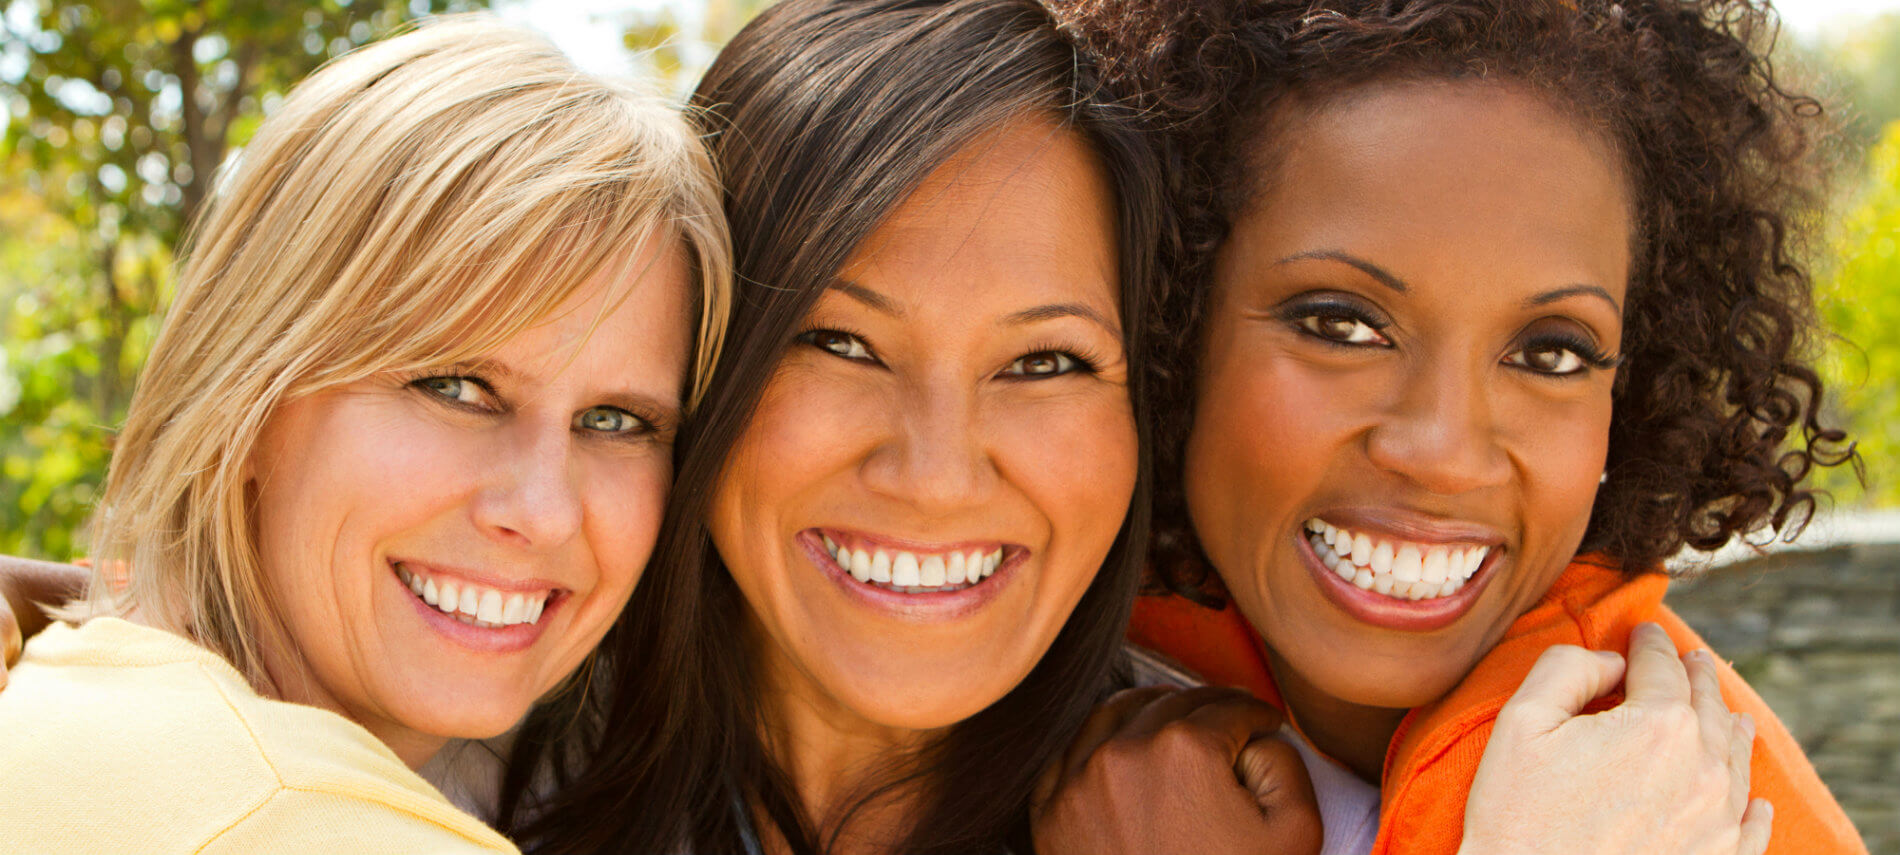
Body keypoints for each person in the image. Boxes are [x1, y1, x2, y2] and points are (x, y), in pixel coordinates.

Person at [0, 2, 1774, 853]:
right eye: (842, 342)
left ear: (1143, 404)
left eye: (1047, 363)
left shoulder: (1299, 815)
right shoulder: (434, 764)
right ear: (703, 366)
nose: (938, 465)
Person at [1045, 0, 1868, 853]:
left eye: (1551, 353)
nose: (1441, 452)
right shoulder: (1020, 631)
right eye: (1342, 325)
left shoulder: (1697, 801)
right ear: (1174, 317)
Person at [0, 16, 729, 853]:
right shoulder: (309, 823)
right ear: (247, 392)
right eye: (455, 387)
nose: (544, 509)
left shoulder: (72, 700)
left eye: (616, 420)